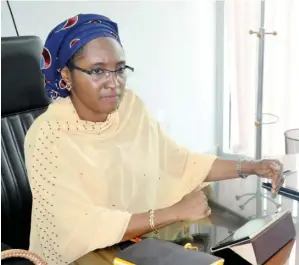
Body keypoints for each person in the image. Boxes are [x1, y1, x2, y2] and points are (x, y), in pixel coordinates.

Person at [26, 14, 284, 265]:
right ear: (66, 76)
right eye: (97, 71)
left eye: (119, 69)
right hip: (80, 258)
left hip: (132, 246)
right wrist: (174, 212)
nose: (113, 83)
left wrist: (248, 166)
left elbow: (178, 162)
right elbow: (81, 226)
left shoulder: (129, 107)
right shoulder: (48, 136)